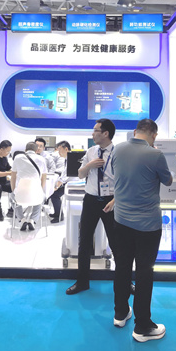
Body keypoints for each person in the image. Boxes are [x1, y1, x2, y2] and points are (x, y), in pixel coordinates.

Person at [105, 119, 173, 342]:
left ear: (135, 132)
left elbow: (118, 175)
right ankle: (142, 326)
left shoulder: (117, 149)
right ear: (154, 135)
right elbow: (168, 180)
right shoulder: (155, 154)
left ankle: (120, 313)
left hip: (121, 221)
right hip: (147, 226)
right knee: (144, 273)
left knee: (122, 267)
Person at [66, 119, 117, 295]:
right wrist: (89, 165)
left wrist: (115, 200)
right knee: (84, 241)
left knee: (117, 243)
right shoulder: (91, 151)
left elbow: (123, 180)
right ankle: (82, 282)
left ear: (106, 133)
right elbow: (80, 174)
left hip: (110, 201)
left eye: (96, 130)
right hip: (91, 200)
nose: (92, 133)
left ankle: (124, 282)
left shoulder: (117, 153)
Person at [10, 142, 47, 232]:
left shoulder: (17, 158)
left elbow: (13, 176)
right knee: (41, 197)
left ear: (25, 150)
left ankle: (22, 220)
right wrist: (40, 190)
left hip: (20, 194)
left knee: (12, 197)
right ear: (36, 150)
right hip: (35, 194)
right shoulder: (41, 159)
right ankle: (32, 220)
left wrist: (14, 190)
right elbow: (44, 178)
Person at [50, 141, 71, 224]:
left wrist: (59, 184)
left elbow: (67, 174)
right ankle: (57, 213)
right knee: (53, 194)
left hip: (71, 184)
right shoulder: (67, 159)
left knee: (55, 195)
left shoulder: (71, 158)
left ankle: (59, 216)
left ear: (66, 149)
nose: (58, 152)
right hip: (67, 182)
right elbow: (65, 172)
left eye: (59, 149)